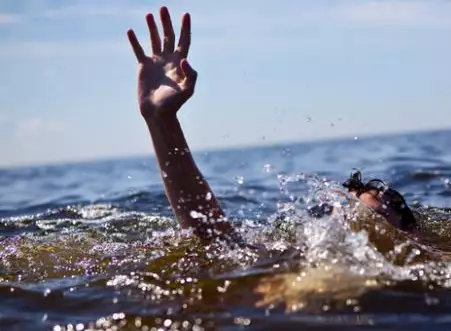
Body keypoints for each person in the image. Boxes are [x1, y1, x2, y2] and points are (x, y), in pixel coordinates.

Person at [126, 7, 420, 251]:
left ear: (410, 232)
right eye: (347, 218)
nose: (355, 226)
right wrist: (161, 120)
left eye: (374, 217)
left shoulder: (434, 265)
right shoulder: (296, 260)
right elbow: (211, 236)